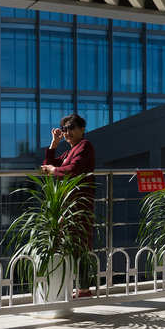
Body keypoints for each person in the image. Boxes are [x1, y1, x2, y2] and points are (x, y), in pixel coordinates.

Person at [41, 114, 96, 295]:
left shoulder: (84, 146)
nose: (67, 132)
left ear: (82, 129)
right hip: (69, 204)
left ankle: (84, 288)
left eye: (72, 128)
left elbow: (72, 169)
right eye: (64, 129)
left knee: (80, 244)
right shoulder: (69, 151)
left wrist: (54, 170)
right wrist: (54, 144)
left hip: (80, 204)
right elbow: (47, 167)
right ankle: (77, 287)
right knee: (70, 243)